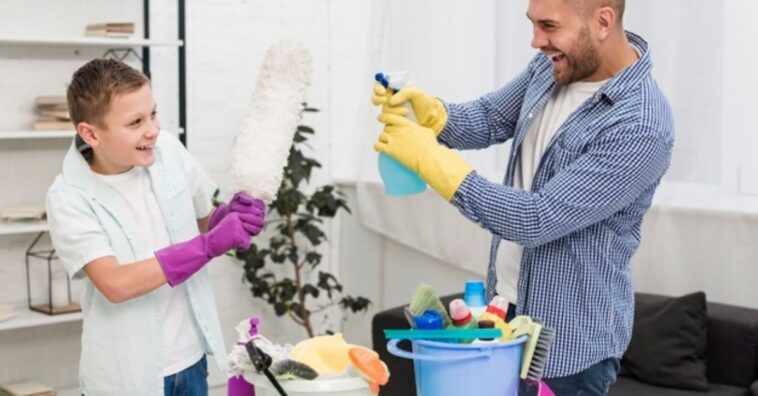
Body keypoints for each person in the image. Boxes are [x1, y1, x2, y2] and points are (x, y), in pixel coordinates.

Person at [372, 0, 673, 394]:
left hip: (569, 345)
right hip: (506, 312)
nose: (535, 41)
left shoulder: (640, 125)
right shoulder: (555, 66)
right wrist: (434, 114)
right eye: (532, 23)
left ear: (602, 21)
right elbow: (491, 118)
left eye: (548, 26)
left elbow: (536, 218)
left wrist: (431, 160)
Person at [46, 58, 265, 396]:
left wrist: (230, 217)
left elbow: (203, 218)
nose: (152, 130)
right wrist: (208, 245)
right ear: (90, 133)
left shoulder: (168, 151)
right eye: (135, 122)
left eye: (153, 114)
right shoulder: (69, 197)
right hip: (125, 378)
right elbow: (115, 283)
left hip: (190, 361)